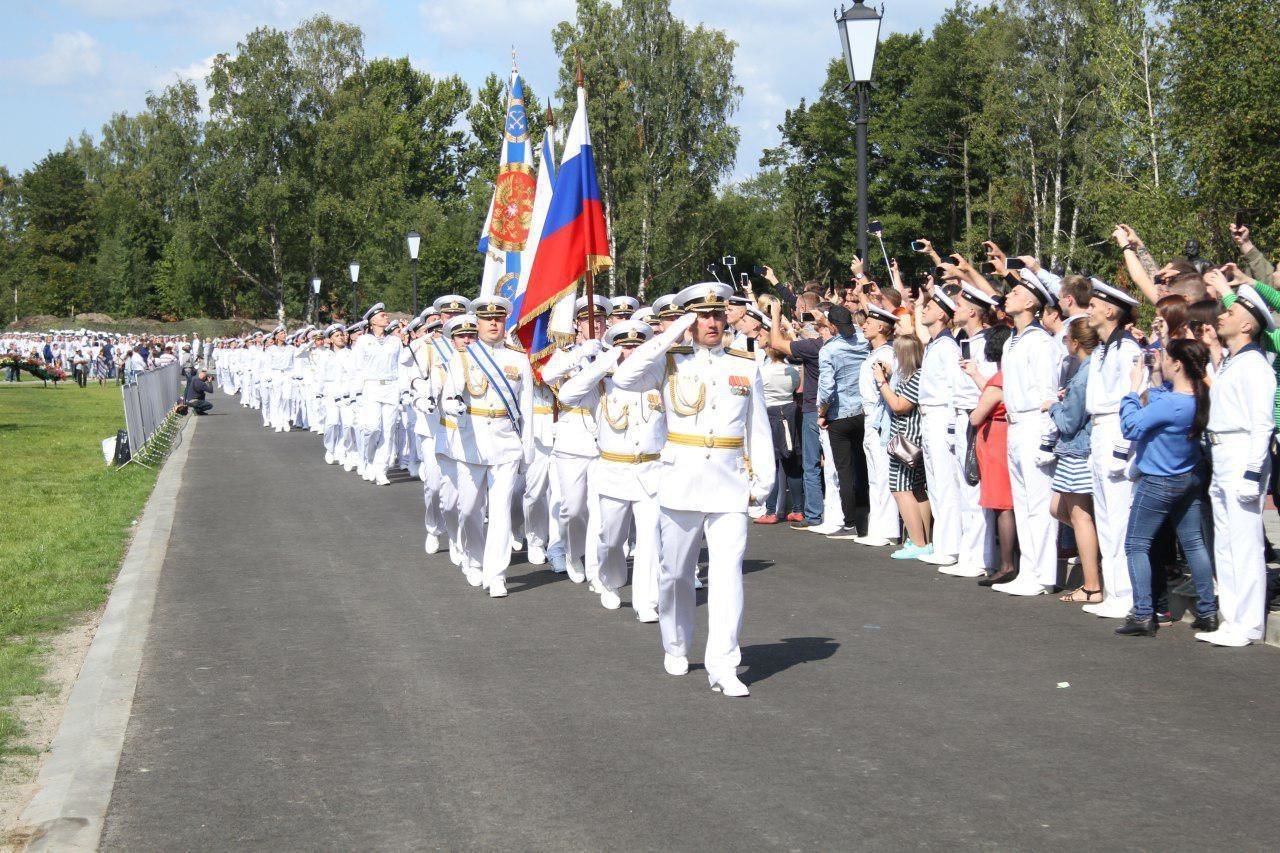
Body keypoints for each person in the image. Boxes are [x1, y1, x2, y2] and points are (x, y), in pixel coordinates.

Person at [612, 282, 775, 698]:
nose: (713, 323)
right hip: (680, 480)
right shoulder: (669, 361)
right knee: (675, 573)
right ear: (689, 320)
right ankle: (677, 641)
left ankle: (723, 663)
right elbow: (625, 376)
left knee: (728, 573)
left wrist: (765, 481)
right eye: (703, 316)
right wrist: (670, 334)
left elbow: (758, 427)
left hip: (729, 481)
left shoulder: (744, 363)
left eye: (718, 315)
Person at [557, 320, 664, 620]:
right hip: (614, 471)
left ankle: (647, 601)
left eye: (636, 345)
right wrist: (601, 363)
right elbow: (566, 395)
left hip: (652, 469)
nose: (631, 352)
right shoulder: (601, 383)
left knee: (650, 539)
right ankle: (610, 580)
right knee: (610, 539)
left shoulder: (659, 376)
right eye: (625, 346)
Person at [1115, 339, 1216, 637]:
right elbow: (1161, 401)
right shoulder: (1197, 396)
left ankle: (1144, 614)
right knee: (1194, 543)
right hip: (1189, 477)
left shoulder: (1174, 404)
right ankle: (1208, 612)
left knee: (1136, 544)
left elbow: (1131, 426)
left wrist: (1133, 389)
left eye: (1167, 359)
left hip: (1159, 480)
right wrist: (1157, 377)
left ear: (1178, 364)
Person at [1197, 286, 1277, 646]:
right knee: (1226, 544)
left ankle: (1248, 625)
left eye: (1231, 313)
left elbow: (1262, 423)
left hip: (1243, 451)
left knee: (1245, 545)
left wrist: (1252, 472)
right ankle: (1232, 618)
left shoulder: (1255, 365)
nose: (1222, 316)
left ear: (1248, 326)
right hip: (1222, 451)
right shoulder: (1232, 361)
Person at [439, 297, 534, 598]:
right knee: (468, 510)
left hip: (507, 442)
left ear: (505, 322)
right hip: (472, 443)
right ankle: (473, 558)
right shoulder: (463, 357)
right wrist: (453, 406)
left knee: (501, 511)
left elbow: (527, 409)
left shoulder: (519, 360)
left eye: (498, 318)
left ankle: (497, 574)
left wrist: (527, 450)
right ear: (477, 323)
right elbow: (449, 395)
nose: (493, 324)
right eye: (487, 319)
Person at [997, 270, 1061, 596]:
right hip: (1015, 424)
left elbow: (1048, 393)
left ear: (1031, 302)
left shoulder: (1040, 341)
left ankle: (1043, 574)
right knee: (1023, 504)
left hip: (1034, 423)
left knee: (1038, 503)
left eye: (1015, 292)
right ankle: (1029, 570)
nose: (1007, 296)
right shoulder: (1012, 340)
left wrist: (1048, 440)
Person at [1083, 279, 1145, 618]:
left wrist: (1123, 449)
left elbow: (1134, 397)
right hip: (1099, 430)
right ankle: (1114, 591)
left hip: (1117, 431)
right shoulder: (1103, 349)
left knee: (1120, 518)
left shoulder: (1129, 349)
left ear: (1110, 311)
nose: (1088, 309)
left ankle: (1125, 594)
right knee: (1105, 516)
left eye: (1094, 304)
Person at [1048, 321, 1102, 604]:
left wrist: (1053, 406)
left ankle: (1092, 585)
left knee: (1080, 517)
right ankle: (1095, 560)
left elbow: (1069, 421)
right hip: (1074, 450)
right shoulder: (1087, 369)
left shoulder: (1085, 373)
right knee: (1058, 508)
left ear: (1076, 342)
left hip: (1078, 449)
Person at [767, 300, 827, 529]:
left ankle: (813, 514)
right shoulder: (854, 343)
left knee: (811, 466)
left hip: (814, 409)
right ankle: (844, 515)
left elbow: (776, 343)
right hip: (840, 412)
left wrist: (775, 316)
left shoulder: (815, 347)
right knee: (837, 468)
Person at [914, 289, 963, 567]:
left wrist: (952, 426)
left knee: (945, 483)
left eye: (930, 306)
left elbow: (955, 387)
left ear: (942, 314)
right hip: (929, 415)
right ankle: (943, 543)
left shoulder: (947, 346)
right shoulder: (934, 344)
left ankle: (951, 546)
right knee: (935, 484)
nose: (924, 310)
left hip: (942, 414)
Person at [874, 334, 931, 559]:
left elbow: (899, 406)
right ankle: (923, 540)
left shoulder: (916, 377)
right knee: (916, 488)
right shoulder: (909, 375)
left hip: (906, 440)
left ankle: (918, 542)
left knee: (900, 489)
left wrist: (882, 382)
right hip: (910, 437)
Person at [816, 303, 870, 538]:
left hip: (840, 414)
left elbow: (827, 388)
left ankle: (850, 523)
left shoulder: (828, 350)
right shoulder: (863, 340)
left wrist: (822, 412)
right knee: (866, 467)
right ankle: (870, 517)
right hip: (863, 410)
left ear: (831, 326)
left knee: (844, 470)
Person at [967, 326, 1015, 585]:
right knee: (1005, 502)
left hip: (995, 439)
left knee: (1001, 504)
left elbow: (977, 414)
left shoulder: (999, 379)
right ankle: (1009, 562)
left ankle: (1006, 564)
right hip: (1001, 436)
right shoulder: (1005, 377)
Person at [854, 305, 900, 547]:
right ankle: (878, 527)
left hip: (881, 416)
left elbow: (889, 385)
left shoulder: (887, 354)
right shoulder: (872, 353)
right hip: (869, 415)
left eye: (869, 322)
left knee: (883, 475)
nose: (864, 325)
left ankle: (888, 530)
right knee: (875, 476)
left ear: (881, 327)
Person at [757, 318, 804, 524]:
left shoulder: (763, 372)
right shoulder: (792, 371)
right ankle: (797, 508)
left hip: (771, 414)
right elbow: (796, 388)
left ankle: (771, 510)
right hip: (790, 411)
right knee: (792, 463)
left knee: (773, 464)